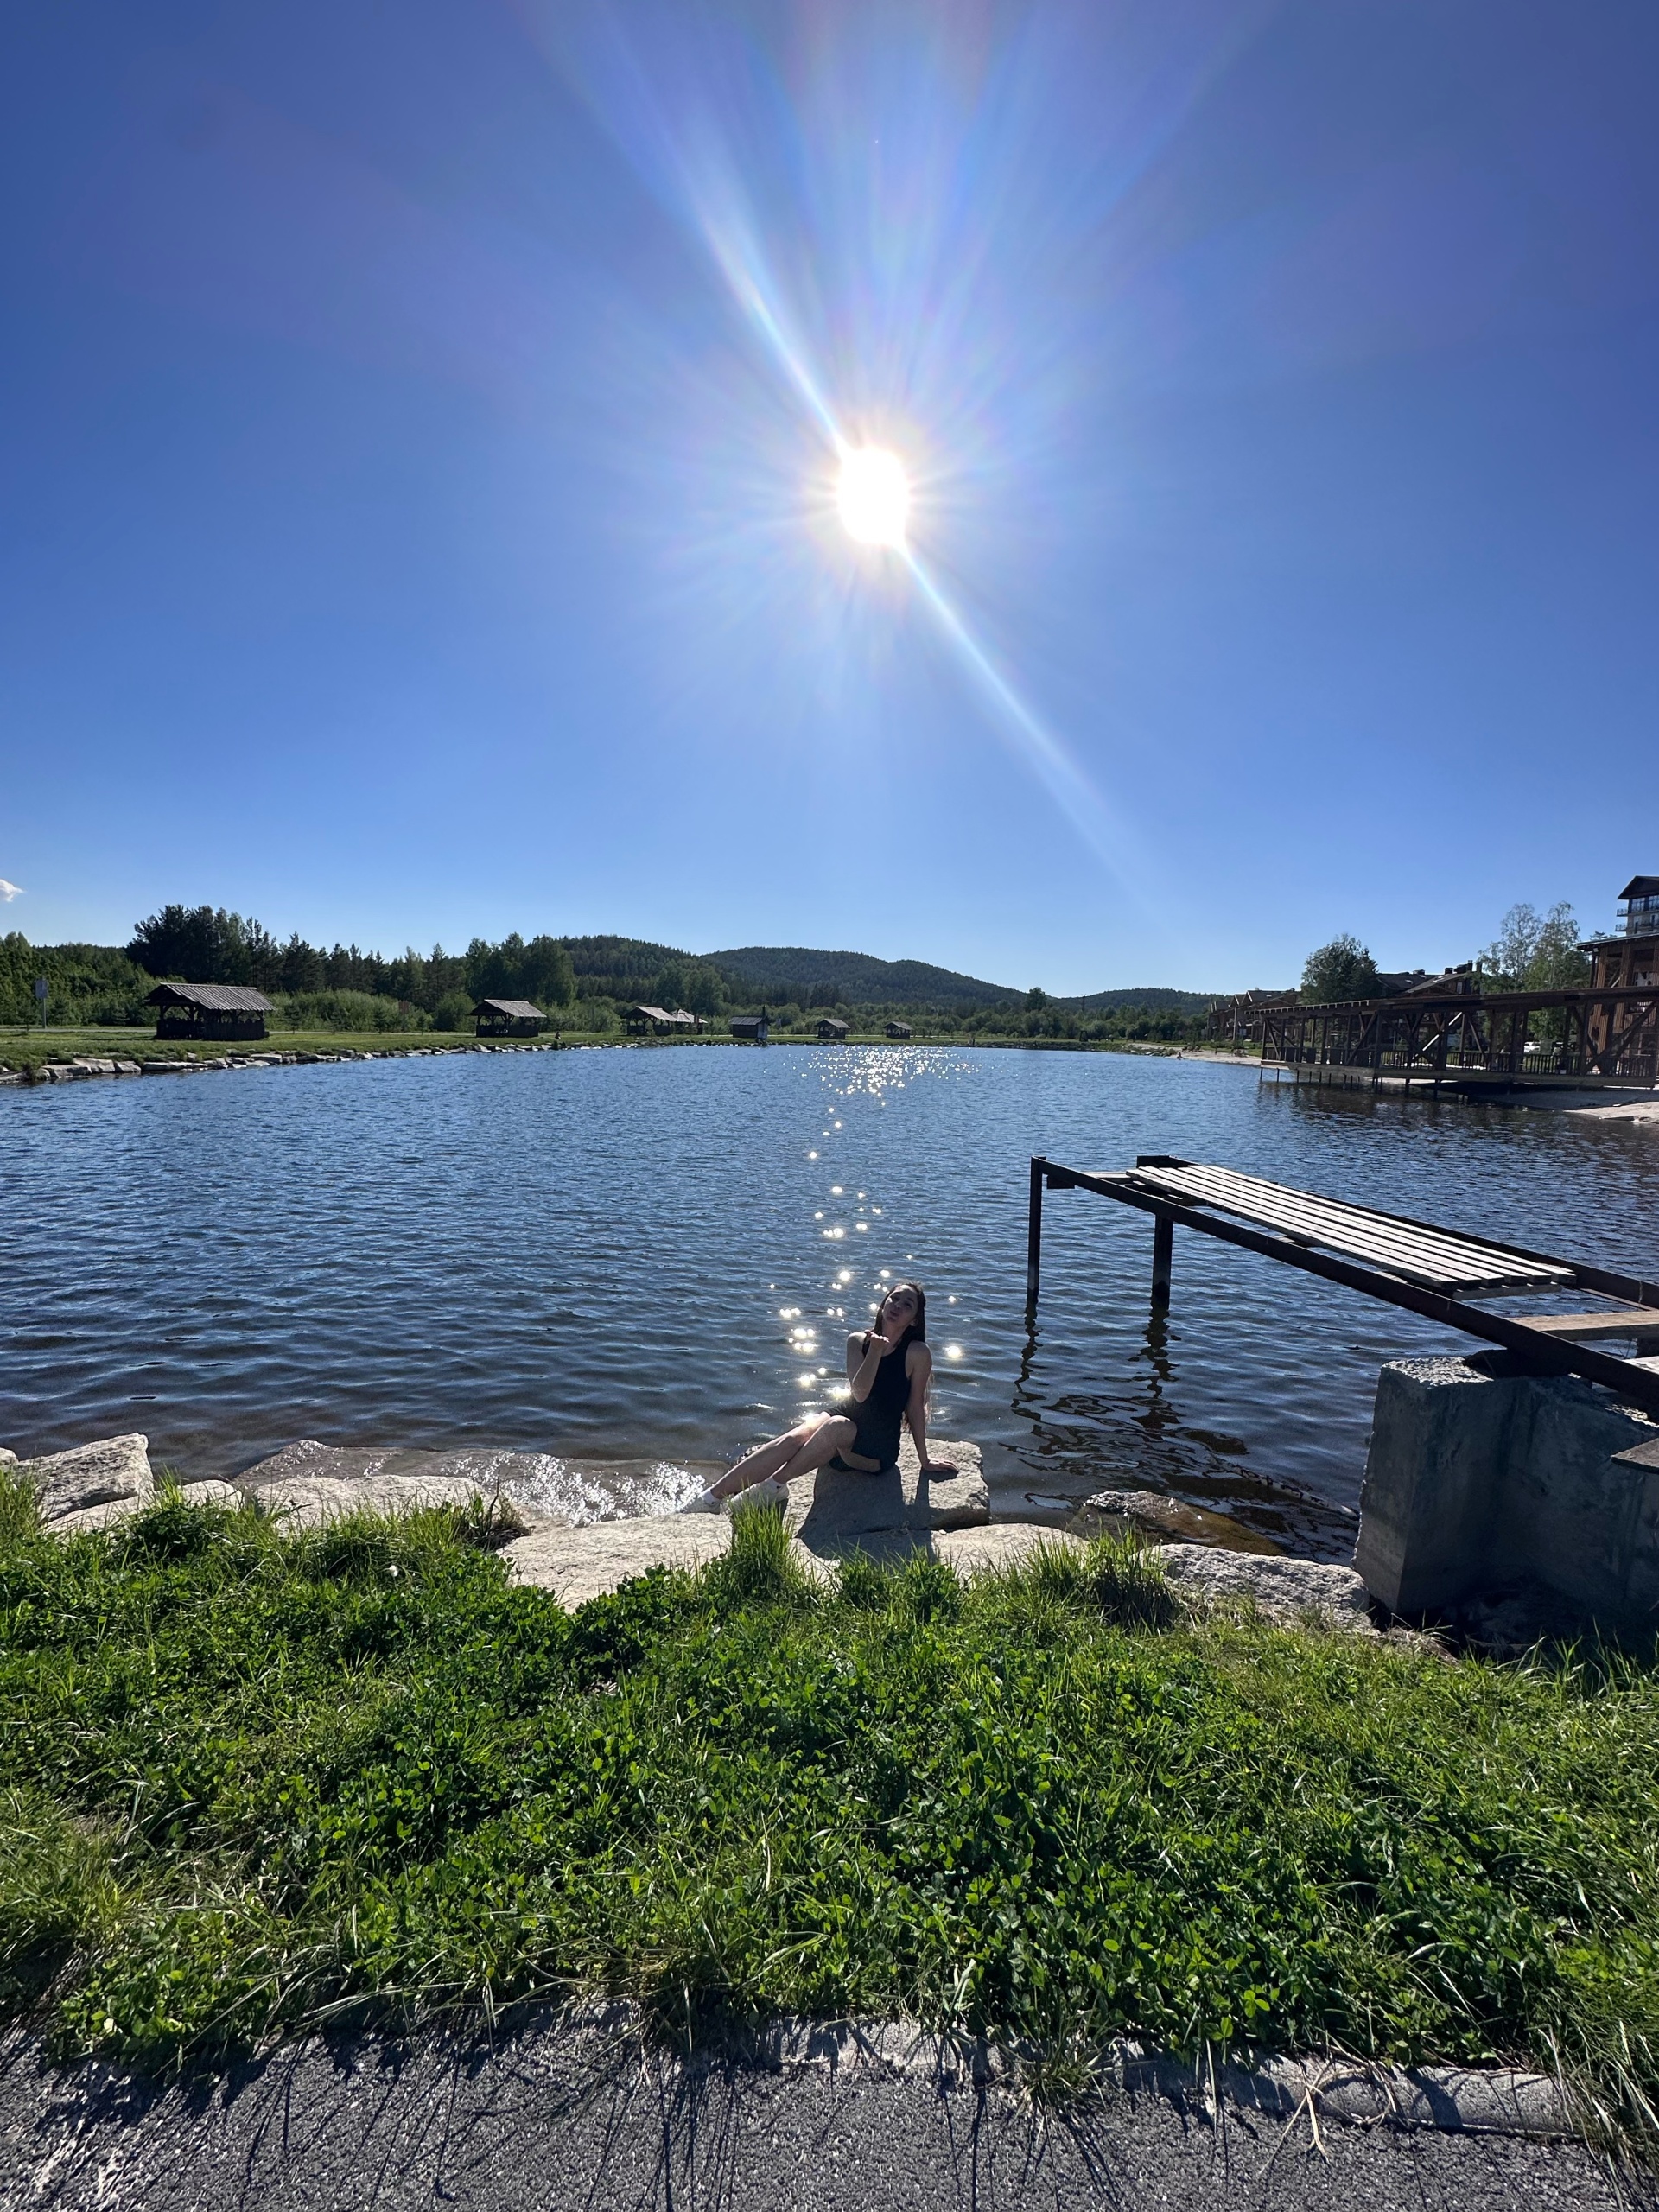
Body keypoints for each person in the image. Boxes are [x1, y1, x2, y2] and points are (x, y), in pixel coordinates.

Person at [681, 1281, 956, 1510]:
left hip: (873, 1447)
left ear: (914, 1320)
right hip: (846, 1417)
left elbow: (915, 1406)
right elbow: (858, 1395)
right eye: (894, 1298)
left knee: (836, 1427)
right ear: (883, 1303)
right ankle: (708, 1500)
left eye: (907, 1305)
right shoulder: (857, 1341)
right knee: (793, 1438)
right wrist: (873, 1350)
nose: (897, 1306)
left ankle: (775, 1485)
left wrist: (924, 1459)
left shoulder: (917, 1353)